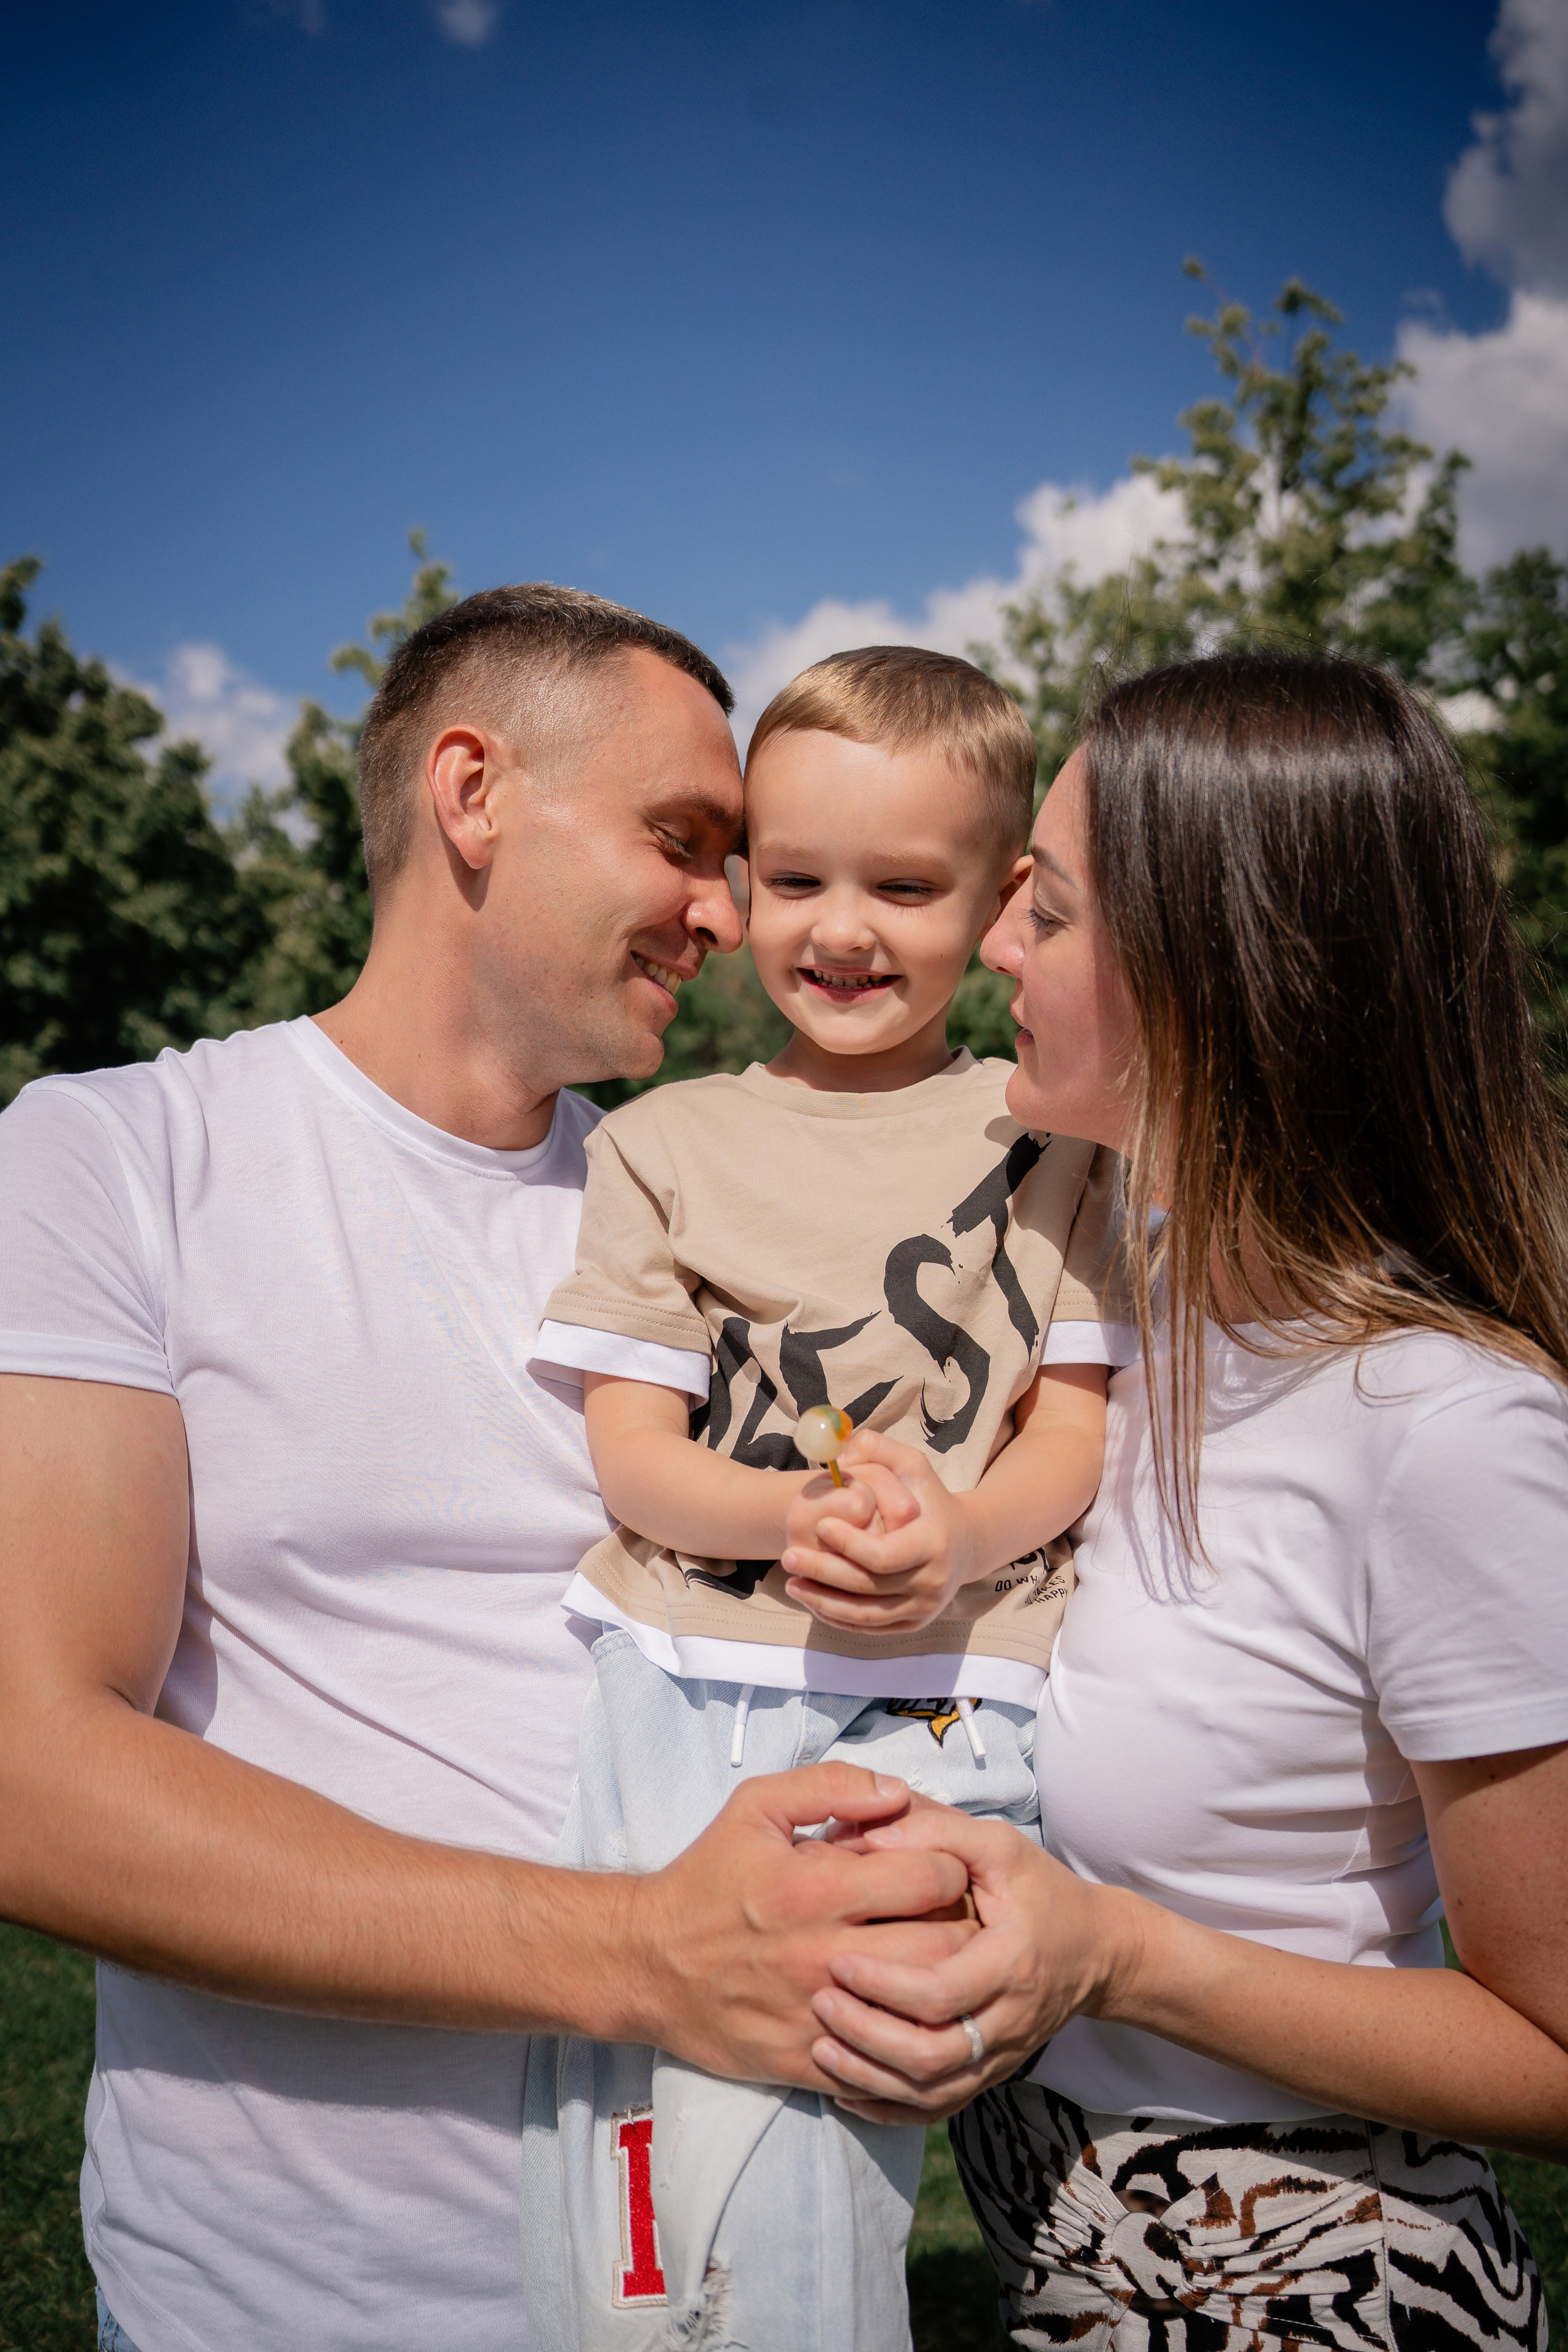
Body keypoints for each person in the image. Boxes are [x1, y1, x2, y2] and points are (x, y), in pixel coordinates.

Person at [0, 586, 971, 2352]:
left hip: (735, 2285)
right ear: (472, 793)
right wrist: (647, 1956)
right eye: (683, 841)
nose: (729, 913)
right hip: (284, 2310)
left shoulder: (701, 1209)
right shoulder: (116, 1158)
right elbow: (31, 1779)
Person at [790, 652, 1568, 2351]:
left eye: (1050, 911)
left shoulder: (1447, 1435)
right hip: (1052, 2245)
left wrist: (1121, 1959)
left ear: (1217, 978)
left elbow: (1558, 2054)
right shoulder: (1113, 1304)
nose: (994, 945)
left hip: (1304, 2280)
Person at [518, 646, 1127, 2352]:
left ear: (1001, 902)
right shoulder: (661, 1145)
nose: (840, 930)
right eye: (793, 881)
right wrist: (789, 1521)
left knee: (821, 2149)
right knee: (632, 2142)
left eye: (904, 888)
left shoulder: (1056, 1139)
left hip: (949, 1703)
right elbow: (635, 1459)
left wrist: (960, 1537)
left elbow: (1069, 1437)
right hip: (691, 1683)